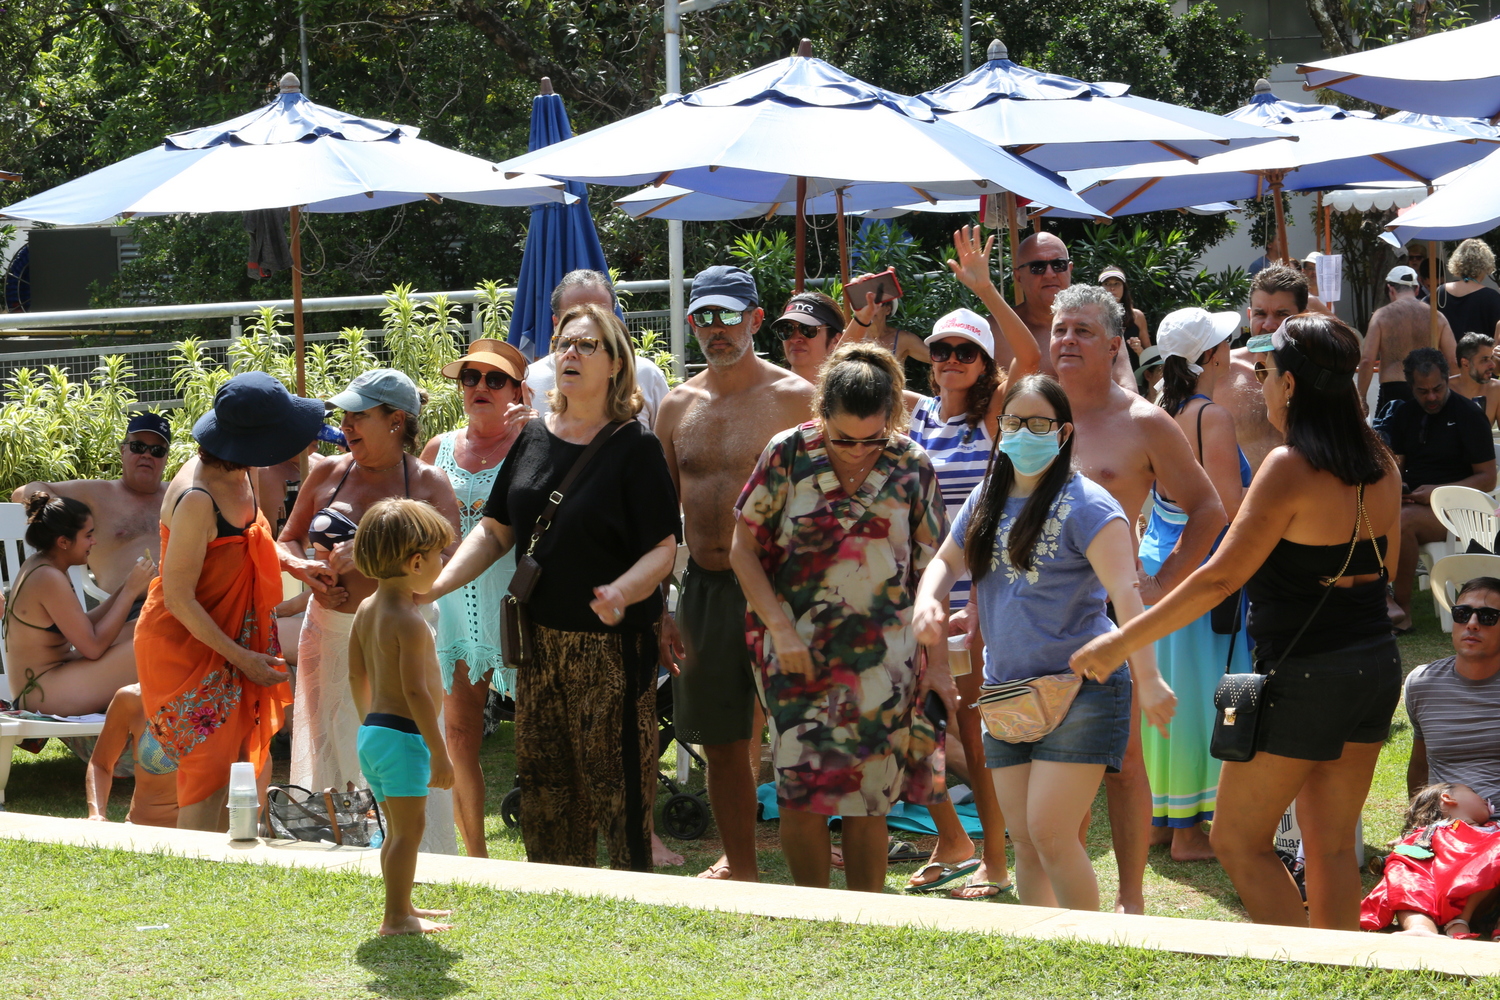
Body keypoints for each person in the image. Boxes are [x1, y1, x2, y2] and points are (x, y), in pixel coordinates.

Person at [1072, 313, 1403, 931]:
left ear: (1294, 386)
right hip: (1374, 665)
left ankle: (1306, 969)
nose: (1260, 383)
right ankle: (1336, 976)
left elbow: (1220, 577)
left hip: (1305, 676)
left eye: (1269, 372)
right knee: (1330, 846)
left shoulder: (1289, 466)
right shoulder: (1382, 464)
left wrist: (1122, 640)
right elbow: (1383, 570)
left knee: (1236, 840)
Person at [426, 302, 681, 871]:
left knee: (618, 786)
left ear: (616, 364)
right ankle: (561, 896)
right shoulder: (532, 436)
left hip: (613, 649)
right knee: (546, 789)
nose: (570, 353)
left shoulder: (634, 447)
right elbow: (494, 532)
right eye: (564, 343)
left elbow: (663, 550)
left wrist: (621, 592)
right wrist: (437, 585)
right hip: (538, 644)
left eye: (586, 345)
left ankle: (632, 900)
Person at [914, 373, 1175, 911]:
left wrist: (1149, 680)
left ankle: (1094, 957)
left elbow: (1127, 600)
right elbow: (944, 558)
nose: (1022, 433)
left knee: (1051, 833)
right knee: (1028, 844)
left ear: (1063, 433)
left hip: (1081, 690)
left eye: (1037, 423)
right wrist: (928, 599)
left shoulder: (1091, 506)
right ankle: (1051, 955)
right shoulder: (988, 495)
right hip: (1006, 691)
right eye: (1013, 422)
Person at [731, 341, 954, 894]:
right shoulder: (786, 454)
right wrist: (780, 630)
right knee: (801, 791)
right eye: (843, 439)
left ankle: (866, 918)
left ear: (893, 421)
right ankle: (812, 914)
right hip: (795, 653)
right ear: (820, 415)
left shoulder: (911, 466)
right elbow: (743, 549)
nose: (858, 451)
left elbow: (935, 568)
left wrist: (938, 661)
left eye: (872, 439)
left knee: (869, 798)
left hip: (885, 663)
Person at [1049, 283, 1225, 913]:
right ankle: (1064, 896)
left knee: (1123, 762)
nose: (1067, 340)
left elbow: (1208, 509)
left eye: (1083, 331)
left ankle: (1131, 900)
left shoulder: (1145, 421)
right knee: (1052, 756)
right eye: (1060, 329)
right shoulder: (1032, 413)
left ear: (1116, 343)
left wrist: (1160, 585)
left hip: (1111, 614)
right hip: (1040, 614)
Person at [655, 264, 814, 882]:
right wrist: (664, 603)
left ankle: (812, 868)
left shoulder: (797, 400)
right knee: (721, 742)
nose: (716, 330)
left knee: (805, 737)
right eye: (704, 317)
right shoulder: (676, 407)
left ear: (755, 318)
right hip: (709, 588)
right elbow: (660, 518)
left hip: (788, 586)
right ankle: (742, 871)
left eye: (728, 316)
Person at [904, 226, 1041, 898]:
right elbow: (838, 383)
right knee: (909, 724)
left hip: (977, 599)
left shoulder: (994, 421)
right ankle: (954, 839)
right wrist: (864, 323)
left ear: (985, 365)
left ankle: (994, 857)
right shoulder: (919, 416)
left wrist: (985, 290)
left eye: (967, 351)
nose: (953, 359)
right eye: (942, 350)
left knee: (970, 729)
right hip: (921, 598)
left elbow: (1034, 358)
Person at [280, 368, 462, 855]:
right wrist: (304, 568)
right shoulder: (325, 472)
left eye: (359, 415)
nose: (347, 426)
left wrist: (373, 554)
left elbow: (448, 560)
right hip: (329, 632)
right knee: (334, 753)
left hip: (402, 634)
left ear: (396, 420)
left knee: (405, 745)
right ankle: (337, 853)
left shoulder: (429, 482)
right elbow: (286, 538)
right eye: (344, 415)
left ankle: (421, 859)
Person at [136, 372, 330, 831]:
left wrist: (295, 564)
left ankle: (234, 877)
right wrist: (243, 658)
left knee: (245, 773)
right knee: (207, 779)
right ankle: (191, 889)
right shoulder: (197, 499)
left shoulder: (244, 468)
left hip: (236, 641)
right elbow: (180, 598)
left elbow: (255, 536)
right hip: (189, 648)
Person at [1143, 307, 1254, 861]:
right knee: (1206, 695)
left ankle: (1163, 822)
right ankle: (1190, 831)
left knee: (1165, 695)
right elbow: (1229, 506)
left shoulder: (1156, 410)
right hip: (1205, 571)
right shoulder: (1211, 416)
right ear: (1212, 356)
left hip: (1158, 566)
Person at [418, 338, 533, 859]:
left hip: (517, 604)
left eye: (494, 379)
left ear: (517, 390)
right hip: (451, 606)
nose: (480, 387)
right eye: (470, 378)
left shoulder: (537, 442)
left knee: (537, 733)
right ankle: (478, 856)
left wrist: (539, 430)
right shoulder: (437, 448)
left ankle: (547, 848)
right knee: (459, 734)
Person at [349, 498, 457, 936]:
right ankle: (396, 918)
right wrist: (439, 752)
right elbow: (416, 692)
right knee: (408, 831)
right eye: (438, 556)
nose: (441, 562)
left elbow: (357, 673)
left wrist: (367, 726)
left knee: (395, 830)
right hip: (404, 736)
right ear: (416, 562)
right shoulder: (410, 620)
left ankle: (402, 903)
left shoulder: (366, 609)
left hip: (375, 732)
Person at [1374, 348, 1496, 631]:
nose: (1431, 397)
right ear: (1411, 387)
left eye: (1438, 389)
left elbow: (1488, 478)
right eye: (1422, 391)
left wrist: (1440, 491)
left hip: (1462, 511)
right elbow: (1398, 468)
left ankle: (1402, 611)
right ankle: (1376, 597)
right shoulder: (1405, 414)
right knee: (1366, 510)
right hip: (1415, 504)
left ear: (1447, 379)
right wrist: (1397, 485)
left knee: (1402, 522)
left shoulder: (1468, 415)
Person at [3, 491, 153, 716]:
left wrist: (126, 587)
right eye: (88, 535)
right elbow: (92, 647)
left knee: (149, 627)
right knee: (154, 644)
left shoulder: (45, 565)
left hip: (56, 677)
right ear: (63, 542)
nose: (94, 542)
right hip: (42, 692)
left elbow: (84, 626)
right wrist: (129, 592)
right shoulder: (47, 577)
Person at [12, 413, 172, 604]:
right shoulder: (97, 493)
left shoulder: (176, 493)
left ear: (166, 458)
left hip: (188, 603)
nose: (147, 455)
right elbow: (23, 491)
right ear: (123, 451)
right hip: (131, 610)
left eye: (157, 451)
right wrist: (61, 514)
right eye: (138, 447)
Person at [524, 269, 671, 428]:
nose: (586, 320)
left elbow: (666, 445)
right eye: (574, 316)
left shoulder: (647, 374)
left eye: (601, 317)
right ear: (556, 324)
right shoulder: (529, 380)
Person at [992, 233, 1135, 392]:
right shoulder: (995, 331)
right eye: (1037, 267)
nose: (1049, 274)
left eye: (1058, 264)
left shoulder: (1101, 321)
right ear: (1018, 276)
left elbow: (1127, 389)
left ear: (1070, 269)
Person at [1405, 577, 1500, 808]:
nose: (1472, 624)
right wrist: (1417, 825)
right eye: (1462, 613)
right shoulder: (1422, 683)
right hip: (1448, 828)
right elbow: (1420, 764)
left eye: (1487, 616)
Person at [1361, 782, 1500, 937]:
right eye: (1473, 791)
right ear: (1448, 798)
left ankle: (1465, 921)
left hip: (1485, 902)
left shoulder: (1495, 830)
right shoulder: (1429, 834)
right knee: (1403, 870)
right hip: (1430, 897)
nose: (1484, 798)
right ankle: (1420, 926)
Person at [1214, 264, 1307, 474]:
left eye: (1281, 314)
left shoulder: (1319, 373)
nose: (1268, 324)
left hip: (1307, 500)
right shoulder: (1221, 372)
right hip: (1242, 503)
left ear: (1304, 315)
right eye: (1260, 314)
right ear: (1249, 314)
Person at [1359, 265, 1458, 417]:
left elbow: (1367, 360)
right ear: (1417, 289)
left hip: (1393, 391)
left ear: (1390, 289)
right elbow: (1453, 360)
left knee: (1388, 440)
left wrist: (1362, 398)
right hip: (1428, 390)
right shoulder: (1436, 317)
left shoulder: (1381, 316)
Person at [84, 683, 178, 828]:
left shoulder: (219, 696)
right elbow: (100, 764)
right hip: (143, 830)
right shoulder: (132, 698)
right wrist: (96, 814)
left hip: (211, 834)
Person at [840, 273, 930, 367]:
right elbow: (829, 366)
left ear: (888, 309)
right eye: (864, 302)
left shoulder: (904, 339)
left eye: (876, 302)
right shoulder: (846, 338)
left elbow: (939, 360)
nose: (869, 307)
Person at [774, 290, 844, 384]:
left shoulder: (850, 394)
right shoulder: (766, 393)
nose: (795, 339)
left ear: (835, 340)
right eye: (786, 329)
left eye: (808, 329)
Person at [1437, 238, 1500, 340]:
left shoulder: (1441, 292)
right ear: (1486, 264)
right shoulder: (1491, 296)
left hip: (1445, 354)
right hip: (1480, 354)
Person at [1098, 267, 1150, 365]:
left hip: (1134, 375)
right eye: (1107, 284)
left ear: (1124, 287)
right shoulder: (1093, 316)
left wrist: (1139, 349)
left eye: (1117, 283)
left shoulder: (1137, 316)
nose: (1112, 288)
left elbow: (1150, 356)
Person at [1452, 333, 1500, 428]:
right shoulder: (1445, 390)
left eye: (1492, 358)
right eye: (1485, 360)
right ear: (1465, 363)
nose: (1493, 365)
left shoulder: (1496, 390)